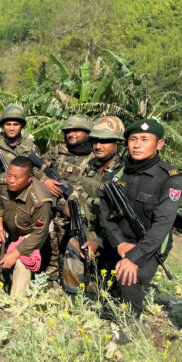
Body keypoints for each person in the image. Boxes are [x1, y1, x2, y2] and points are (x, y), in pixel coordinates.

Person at [98, 119, 182, 319]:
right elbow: (104, 213)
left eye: (145, 139)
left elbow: (162, 226)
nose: (137, 145)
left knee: (128, 274)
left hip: (149, 243)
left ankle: (130, 323)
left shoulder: (170, 178)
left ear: (159, 144)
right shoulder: (115, 172)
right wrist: (119, 243)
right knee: (96, 272)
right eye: (133, 139)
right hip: (117, 238)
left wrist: (134, 257)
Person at [61, 116, 125, 295]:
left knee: (107, 291)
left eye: (105, 141)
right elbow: (81, 186)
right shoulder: (92, 164)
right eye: (96, 141)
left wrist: (98, 242)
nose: (98, 146)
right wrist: (72, 199)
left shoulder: (123, 172)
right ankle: (73, 297)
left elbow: (120, 219)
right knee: (73, 247)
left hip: (111, 238)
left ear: (117, 143)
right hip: (86, 227)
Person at [41, 114, 94, 289]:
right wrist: (45, 180)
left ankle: (75, 283)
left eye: (76, 130)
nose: (71, 134)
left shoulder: (95, 155)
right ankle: (50, 281)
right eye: (68, 131)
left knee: (74, 248)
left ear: (88, 132)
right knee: (50, 247)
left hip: (79, 212)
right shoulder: (58, 150)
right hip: (53, 208)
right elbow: (34, 165)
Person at [0, 156, 53, 296]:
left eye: (17, 177)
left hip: (33, 232)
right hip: (10, 227)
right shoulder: (1, 182)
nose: (11, 180)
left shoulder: (41, 199)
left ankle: (17, 301)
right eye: (9, 175)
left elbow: (39, 233)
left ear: (29, 179)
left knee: (23, 261)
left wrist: (15, 253)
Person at [0, 104, 39, 172]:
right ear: (3, 126)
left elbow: (37, 170)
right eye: (8, 124)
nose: (11, 128)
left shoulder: (30, 145)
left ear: (21, 126)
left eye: (16, 124)